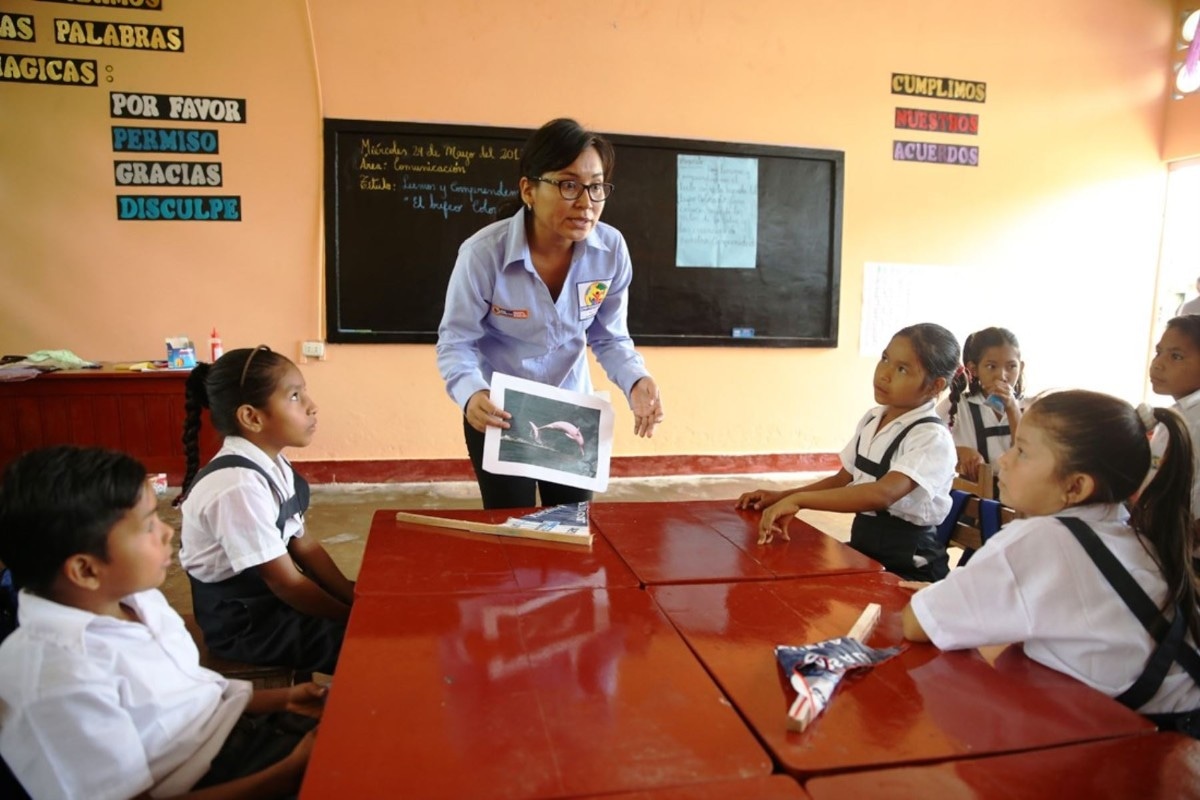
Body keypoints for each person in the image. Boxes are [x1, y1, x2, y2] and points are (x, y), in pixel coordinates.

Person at [0, 446, 326, 798]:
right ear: (85, 570)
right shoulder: (55, 680)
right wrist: (292, 772)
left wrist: (285, 699)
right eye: (147, 526)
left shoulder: (135, 598)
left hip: (242, 732)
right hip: (215, 779)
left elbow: (189, 697)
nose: (168, 533)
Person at [903, 390, 1200, 737]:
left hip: (1147, 742)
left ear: (1075, 487)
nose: (1004, 460)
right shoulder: (1128, 527)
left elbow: (917, 625)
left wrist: (938, 596)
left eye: (1022, 451)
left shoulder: (1039, 540)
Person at [436, 118, 664, 510]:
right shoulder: (483, 255)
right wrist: (471, 392)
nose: (586, 202)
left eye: (596, 186)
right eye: (569, 184)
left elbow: (609, 337)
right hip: (500, 412)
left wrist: (636, 380)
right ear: (529, 189)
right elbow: (457, 341)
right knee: (513, 527)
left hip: (573, 411)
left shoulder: (610, 251)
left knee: (571, 525)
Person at [736, 323, 960, 581]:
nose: (884, 374)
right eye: (885, 359)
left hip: (912, 563)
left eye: (902, 369)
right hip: (865, 547)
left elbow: (882, 494)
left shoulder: (931, 437)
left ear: (935, 386)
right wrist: (782, 496)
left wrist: (800, 501)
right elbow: (843, 479)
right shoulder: (873, 419)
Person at [177, 346, 352, 675]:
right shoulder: (236, 486)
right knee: (372, 646)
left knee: (386, 605)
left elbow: (305, 545)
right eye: (296, 396)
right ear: (251, 417)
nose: (313, 407)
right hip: (247, 625)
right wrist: (354, 617)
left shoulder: (271, 464)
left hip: (273, 602)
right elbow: (288, 584)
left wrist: (352, 595)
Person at [937, 327, 1024, 483]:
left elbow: (1030, 454)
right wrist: (959, 452)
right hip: (976, 501)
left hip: (1022, 499)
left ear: (1021, 367)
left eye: (1011, 366)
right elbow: (928, 447)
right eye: (991, 366)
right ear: (973, 369)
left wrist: (1012, 408)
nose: (1002, 376)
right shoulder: (957, 405)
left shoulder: (1031, 407)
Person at [1148, 314, 1200, 569]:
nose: (1157, 364)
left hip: (1185, 552)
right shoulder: (1179, 413)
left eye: (1176, 356)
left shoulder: (1194, 422)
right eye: (1159, 352)